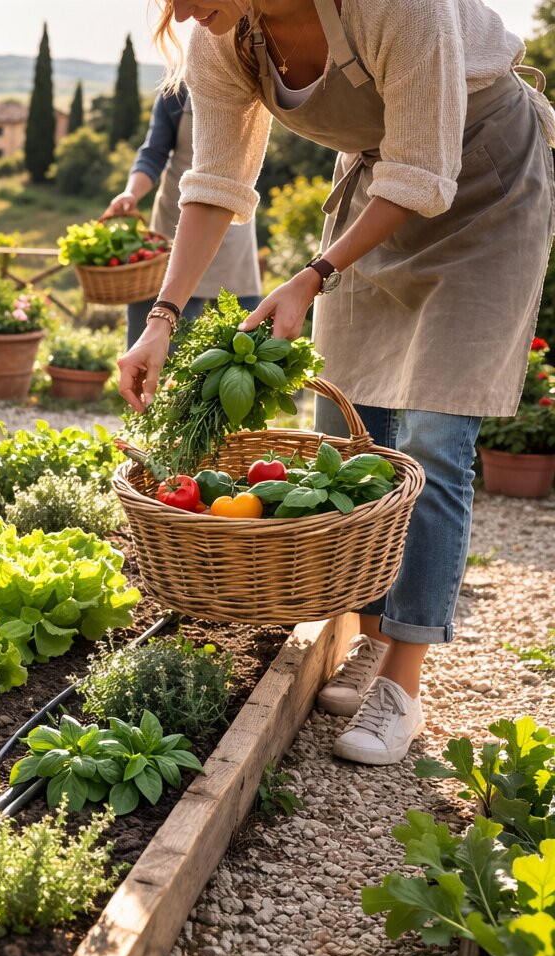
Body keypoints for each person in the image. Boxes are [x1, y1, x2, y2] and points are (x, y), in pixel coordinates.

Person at [121, 0, 555, 765]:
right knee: (354, 439)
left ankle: (404, 684)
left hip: (483, 181)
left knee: (434, 434)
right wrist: (161, 316)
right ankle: (374, 638)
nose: (183, 10)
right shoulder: (226, 37)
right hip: (376, 192)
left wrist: (313, 276)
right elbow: (216, 181)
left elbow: (425, 170)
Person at [103, 84, 262, 347]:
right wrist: (131, 194)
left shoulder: (249, 83)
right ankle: (147, 385)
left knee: (240, 333)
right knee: (164, 326)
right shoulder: (175, 92)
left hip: (232, 218)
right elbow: (153, 153)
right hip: (175, 220)